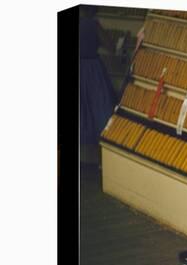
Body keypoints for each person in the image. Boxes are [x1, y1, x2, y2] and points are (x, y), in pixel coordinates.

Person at [79, 5, 117, 158]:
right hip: (92, 70)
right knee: (100, 110)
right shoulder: (93, 25)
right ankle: (102, 158)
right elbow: (111, 47)